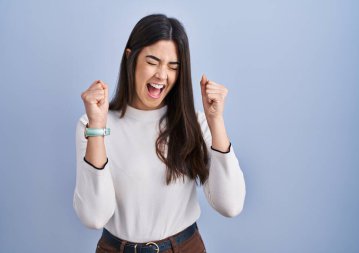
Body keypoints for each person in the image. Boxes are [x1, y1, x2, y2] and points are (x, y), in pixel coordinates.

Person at [73, 13, 246, 253]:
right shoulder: (92, 125)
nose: (162, 75)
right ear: (130, 58)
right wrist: (97, 127)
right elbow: (93, 217)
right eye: (152, 61)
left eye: (173, 67)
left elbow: (231, 205)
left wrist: (215, 121)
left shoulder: (193, 123)